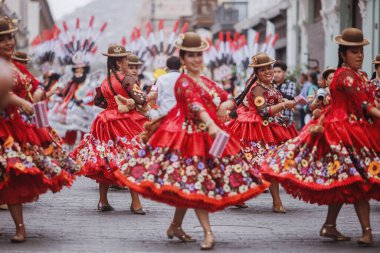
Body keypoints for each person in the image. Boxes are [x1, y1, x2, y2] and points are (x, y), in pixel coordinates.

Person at [119, 32, 269, 250]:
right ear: (182, 59)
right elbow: (195, 105)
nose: (196, 59)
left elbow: (226, 97)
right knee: (198, 185)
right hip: (189, 139)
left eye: (199, 54)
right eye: (191, 55)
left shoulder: (206, 81)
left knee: (190, 185)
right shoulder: (183, 83)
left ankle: (175, 226)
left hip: (208, 138)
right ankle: (208, 232)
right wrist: (211, 123)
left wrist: (224, 106)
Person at [262, 28, 380, 246]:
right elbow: (363, 103)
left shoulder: (361, 76)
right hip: (344, 133)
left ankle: (330, 225)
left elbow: (368, 102)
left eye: (361, 51)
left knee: (345, 182)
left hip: (357, 131)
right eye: (354, 51)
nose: (359, 55)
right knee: (357, 180)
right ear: (343, 54)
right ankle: (365, 231)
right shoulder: (344, 75)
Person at [0, 16, 80, 243]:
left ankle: (20, 228)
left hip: (16, 130)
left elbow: (36, 86)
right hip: (3, 128)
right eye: (3, 39)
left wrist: (36, 96)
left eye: (10, 37)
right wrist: (21, 102)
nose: (9, 43)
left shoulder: (16, 66)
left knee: (14, 175)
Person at [72, 45, 147, 214]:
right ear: (119, 63)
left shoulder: (106, 80)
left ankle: (102, 201)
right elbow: (141, 100)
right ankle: (136, 203)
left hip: (105, 121)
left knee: (105, 159)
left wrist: (113, 104)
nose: (128, 63)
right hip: (125, 122)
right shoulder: (127, 79)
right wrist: (137, 101)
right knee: (131, 158)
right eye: (126, 60)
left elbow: (98, 101)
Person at [228, 52, 298, 213]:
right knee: (264, 164)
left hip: (273, 127)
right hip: (255, 129)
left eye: (269, 68)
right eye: (262, 70)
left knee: (268, 164)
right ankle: (276, 202)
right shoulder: (257, 88)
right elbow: (264, 111)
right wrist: (284, 105)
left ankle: (240, 197)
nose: (268, 71)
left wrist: (284, 108)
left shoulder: (270, 85)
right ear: (256, 73)